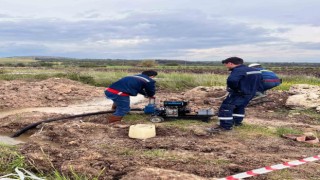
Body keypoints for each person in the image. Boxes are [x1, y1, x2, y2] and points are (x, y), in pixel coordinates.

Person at [206, 57, 263, 133]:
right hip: (250, 93)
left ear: (230, 63)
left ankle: (225, 127)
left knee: (226, 107)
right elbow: (261, 81)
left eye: (226, 65)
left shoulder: (238, 70)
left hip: (239, 93)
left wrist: (236, 89)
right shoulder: (255, 70)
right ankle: (236, 123)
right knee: (239, 106)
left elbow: (232, 81)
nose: (226, 67)